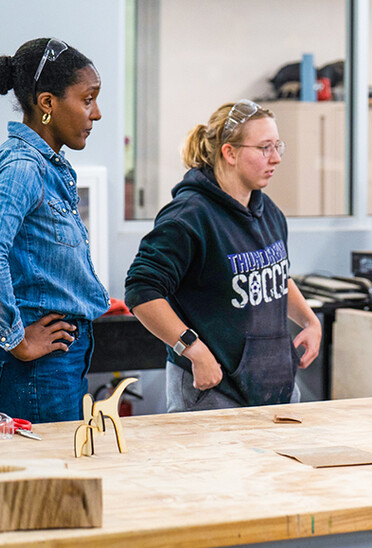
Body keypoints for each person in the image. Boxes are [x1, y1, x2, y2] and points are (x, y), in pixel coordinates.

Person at [124, 99, 322, 412]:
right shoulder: (188, 216)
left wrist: (310, 321)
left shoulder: (269, 211)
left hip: (275, 389)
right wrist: (193, 349)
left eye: (278, 146)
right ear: (229, 153)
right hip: (213, 393)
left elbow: (276, 276)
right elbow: (141, 291)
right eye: (264, 148)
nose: (276, 158)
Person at [0, 38, 108, 423]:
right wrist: (16, 339)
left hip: (55, 360)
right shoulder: (23, 166)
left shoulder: (47, 166)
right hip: (35, 370)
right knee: (47, 480)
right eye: (87, 99)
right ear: (47, 103)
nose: (95, 113)